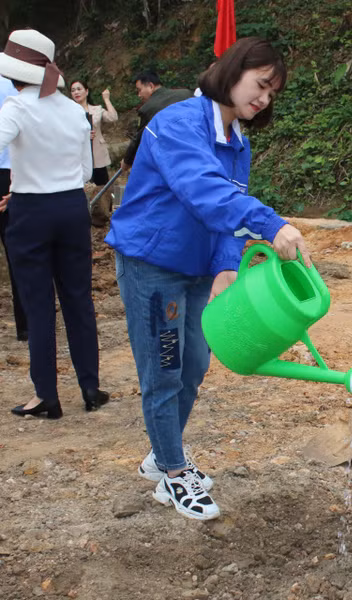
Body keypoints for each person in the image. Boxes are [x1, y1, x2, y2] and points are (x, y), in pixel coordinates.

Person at [106, 37, 311, 521]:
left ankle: (161, 455)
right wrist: (271, 223)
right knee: (165, 367)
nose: (263, 98)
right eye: (260, 84)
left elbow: (226, 217)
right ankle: (174, 475)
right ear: (233, 72)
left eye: (271, 93)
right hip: (154, 266)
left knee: (195, 363)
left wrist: (224, 267)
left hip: (197, 271)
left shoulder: (238, 141)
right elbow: (204, 191)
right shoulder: (177, 124)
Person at [0, 29, 109, 419]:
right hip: (71, 208)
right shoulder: (72, 110)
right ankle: (91, 387)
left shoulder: (16, 107)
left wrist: (24, 183)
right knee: (79, 298)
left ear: (15, 73)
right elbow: (83, 170)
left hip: (31, 211)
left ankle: (46, 394)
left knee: (39, 302)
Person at [0, 74, 27, 342]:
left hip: (9, 167)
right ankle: (26, 324)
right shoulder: (16, 78)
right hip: (13, 170)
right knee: (17, 250)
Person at [121, 70, 193, 169]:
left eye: (139, 90)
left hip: (171, 157)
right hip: (195, 148)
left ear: (151, 86)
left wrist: (127, 161)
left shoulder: (148, 108)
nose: (139, 95)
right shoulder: (186, 94)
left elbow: (139, 139)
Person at [70, 79, 118, 186]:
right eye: (73, 90)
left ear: (86, 91)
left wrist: (106, 99)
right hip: (78, 155)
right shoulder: (68, 112)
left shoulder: (97, 109)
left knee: (102, 187)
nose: (76, 92)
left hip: (97, 155)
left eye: (79, 89)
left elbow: (113, 117)